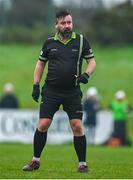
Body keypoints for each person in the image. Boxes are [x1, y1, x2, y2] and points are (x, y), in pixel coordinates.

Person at [22, 10, 96, 173]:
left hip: (72, 92)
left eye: (69, 22)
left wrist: (86, 74)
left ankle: (82, 164)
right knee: (43, 124)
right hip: (51, 91)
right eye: (63, 23)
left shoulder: (82, 41)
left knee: (77, 126)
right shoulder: (49, 43)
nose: (67, 26)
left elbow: (91, 62)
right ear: (56, 25)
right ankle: (35, 161)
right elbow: (40, 64)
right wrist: (36, 85)